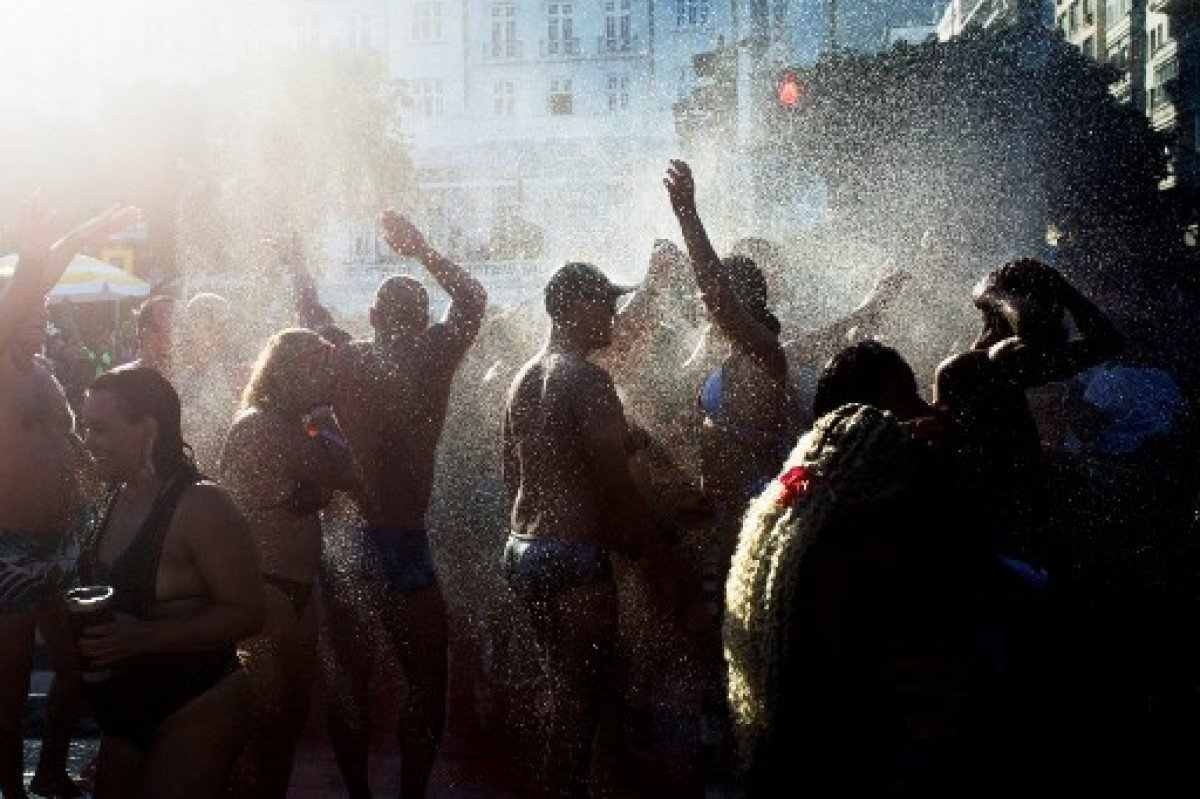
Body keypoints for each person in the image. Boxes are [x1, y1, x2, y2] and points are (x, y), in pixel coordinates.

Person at [321, 209, 486, 799]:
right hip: (402, 537)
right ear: (421, 319)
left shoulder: (343, 360)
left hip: (347, 540)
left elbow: (311, 322)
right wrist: (422, 251)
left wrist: (295, 269)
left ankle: (360, 795)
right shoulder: (432, 354)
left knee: (351, 678)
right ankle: (411, 794)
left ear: (370, 318)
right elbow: (472, 297)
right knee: (424, 679)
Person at [502, 261, 668, 797]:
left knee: (568, 695)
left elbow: (512, 471)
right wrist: (653, 549)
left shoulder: (523, 376)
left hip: (525, 548)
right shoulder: (588, 378)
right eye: (606, 303)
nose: (615, 315)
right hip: (573, 557)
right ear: (573, 308)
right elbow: (615, 484)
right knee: (585, 704)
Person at [0, 202, 138, 799]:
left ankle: (52, 770)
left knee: (81, 669)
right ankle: (10, 789)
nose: (40, 315)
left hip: (63, 543)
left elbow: (69, 444)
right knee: (8, 688)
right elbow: (28, 285)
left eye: (44, 311)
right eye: (29, 310)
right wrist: (66, 239)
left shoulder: (44, 374)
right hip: (11, 552)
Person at [76, 366, 264, 798]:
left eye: (100, 429)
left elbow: (251, 613)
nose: (89, 442)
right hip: (125, 712)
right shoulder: (114, 495)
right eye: (86, 428)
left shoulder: (203, 505)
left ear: (147, 429)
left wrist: (144, 637)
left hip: (197, 703)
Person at [221, 329, 355, 798]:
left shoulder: (290, 425)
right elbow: (347, 473)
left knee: (290, 717)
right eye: (318, 369)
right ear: (290, 372)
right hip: (264, 587)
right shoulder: (260, 425)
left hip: (295, 586)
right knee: (263, 721)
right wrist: (327, 419)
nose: (327, 378)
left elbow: (331, 481)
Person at [933, 258, 1123, 561]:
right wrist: (1061, 289)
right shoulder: (977, 368)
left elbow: (1105, 342)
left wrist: (992, 293)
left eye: (987, 316)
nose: (982, 328)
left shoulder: (984, 366)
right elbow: (1108, 340)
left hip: (996, 534)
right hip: (997, 534)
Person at [124, 295, 175, 375]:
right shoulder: (118, 381)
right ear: (141, 333)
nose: (166, 339)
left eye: (171, 331)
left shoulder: (190, 380)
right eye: (156, 330)